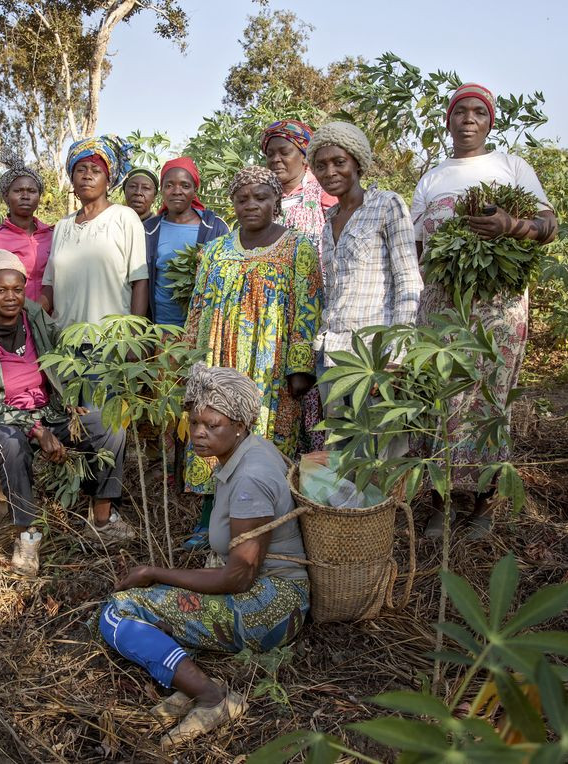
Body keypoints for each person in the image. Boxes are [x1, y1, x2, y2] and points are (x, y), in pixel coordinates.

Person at [94, 365, 309, 748]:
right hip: (273, 595)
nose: (198, 433)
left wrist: (155, 572)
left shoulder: (250, 478)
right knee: (157, 611)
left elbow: (237, 578)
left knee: (117, 613)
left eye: (213, 424)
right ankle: (188, 685)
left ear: (240, 423)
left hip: (273, 606)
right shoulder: (250, 450)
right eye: (194, 421)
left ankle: (213, 698)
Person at [410, 83, 558, 538]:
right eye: (460, 111)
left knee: (489, 397)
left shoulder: (512, 166)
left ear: (490, 122)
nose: (468, 118)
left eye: (478, 112)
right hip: (440, 303)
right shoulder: (431, 177)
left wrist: (510, 226)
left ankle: (484, 503)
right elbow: (415, 247)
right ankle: (441, 501)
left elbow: (548, 224)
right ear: (448, 120)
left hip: (499, 304)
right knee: (440, 396)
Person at [0, 251, 135, 575]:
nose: (10, 297)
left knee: (109, 425)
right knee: (11, 443)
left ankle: (102, 518)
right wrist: (34, 429)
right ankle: (27, 535)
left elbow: (63, 350)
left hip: (44, 413)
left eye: (17, 289)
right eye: (1, 290)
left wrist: (71, 398)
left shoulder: (32, 316)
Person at [180, 166, 321, 549]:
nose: (251, 205)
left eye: (261, 197)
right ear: (233, 204)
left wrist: (300, 367)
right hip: (219, 359)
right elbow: (197, 308)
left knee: (266, 435)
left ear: (277, 202)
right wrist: (192, 363)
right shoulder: (214, 250)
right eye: (243, 198)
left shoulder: (298, 248)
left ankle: (268, 520)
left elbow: (308, 310)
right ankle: (211, 516)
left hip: (269, 363)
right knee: (213, 431)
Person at [307, 122, 423, 419]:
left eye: (339, 162)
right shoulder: (328, 221)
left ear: (357, 163)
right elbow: (333, 294)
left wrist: (397, 356)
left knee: (379, 457)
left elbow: (409, 281)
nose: (330, 172)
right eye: (320, 165)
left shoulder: (387, 205)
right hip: (332, 355)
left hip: (374, 355)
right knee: (343, 454)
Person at [261, 119, 334, 455]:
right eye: (270, 153)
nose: (277, 159)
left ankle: (313, 481)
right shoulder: (263, 200)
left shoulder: (325, 197)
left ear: (304, 155)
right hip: (272, 320)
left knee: (312, 397)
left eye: (284, 152)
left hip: (318, 317)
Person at [40, 135, 149, 328]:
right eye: (80, 170)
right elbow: (49, 285)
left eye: (96, 170)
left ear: (108, 180)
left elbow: (140, 281)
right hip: (64, 341)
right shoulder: (62, 225)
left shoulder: (125, 217)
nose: (87, 175)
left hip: (110, 342)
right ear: (72, 179)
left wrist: (134, 336)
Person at [142, 157, 230, 326]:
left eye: (185, 185)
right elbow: (141, 284)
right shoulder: (149, 230)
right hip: (159, 330)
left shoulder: (214, 228)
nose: (177, 191)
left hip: (202, 331)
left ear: (195, 189)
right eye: (169, 185)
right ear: (161, 189)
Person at [0, 160, 53, 305]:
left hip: (52, 320)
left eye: (32, 191)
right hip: (12, 320)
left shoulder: (53, 234)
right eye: (18, 191)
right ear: (5, 197)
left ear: (39, 196)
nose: (25, 196)